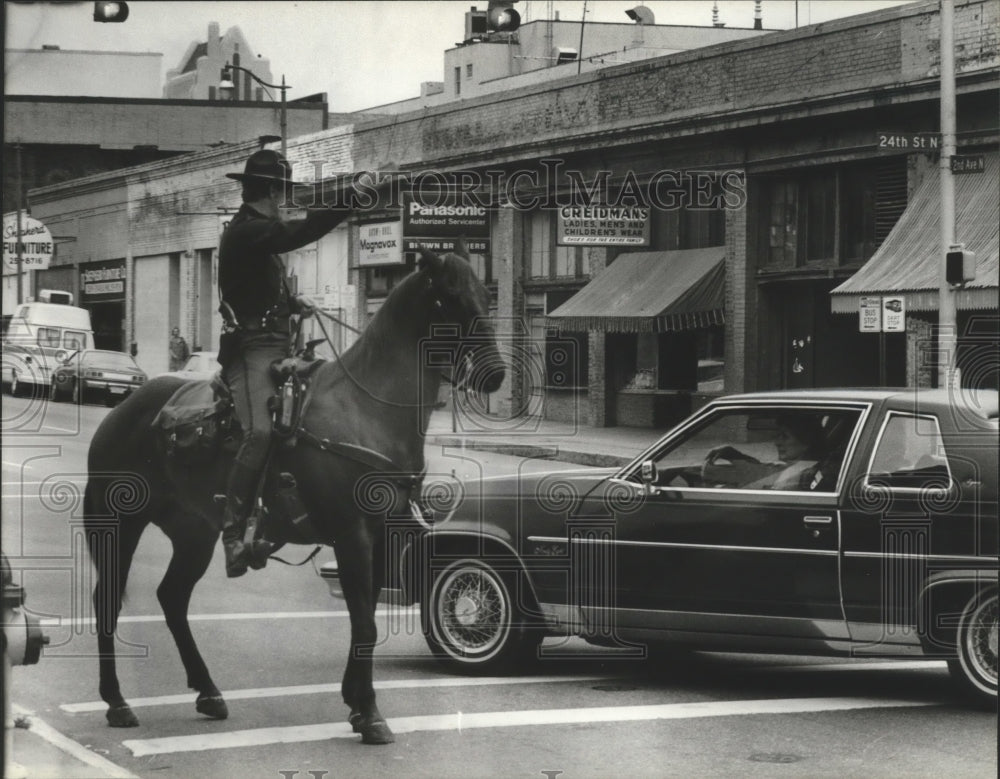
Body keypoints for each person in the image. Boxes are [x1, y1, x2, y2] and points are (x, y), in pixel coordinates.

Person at [217, 148, 391, 577]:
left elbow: (253, 288)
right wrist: (355, 195)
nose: (285, 199)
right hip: (252, 349)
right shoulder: (247, 231)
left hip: (281, 344)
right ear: (271, 190)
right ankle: (233, 533)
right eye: (283, 191)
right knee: (259, 431)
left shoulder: (258, 232)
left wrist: (294, 301)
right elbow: (304, 231)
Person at [704, 414, 828, 491]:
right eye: (778, 436)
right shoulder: (800, 467)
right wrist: (736, 456)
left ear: (806, 442)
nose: (777, 442)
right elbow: (764, 471)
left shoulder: (793, 477)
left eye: (784, 436)